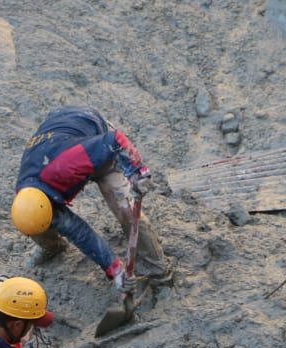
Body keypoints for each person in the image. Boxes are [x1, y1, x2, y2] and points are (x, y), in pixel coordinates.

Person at [11, 106, 174, 297]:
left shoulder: (67, 164)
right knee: (34, 225)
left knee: (126, 210)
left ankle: (158, 269)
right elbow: (80, 232)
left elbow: (115, 140)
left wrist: (137, 171)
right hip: (61, 140)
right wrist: (115, 269)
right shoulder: (25, 196)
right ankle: (53, 247)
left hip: (97, 144)